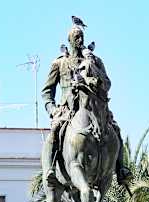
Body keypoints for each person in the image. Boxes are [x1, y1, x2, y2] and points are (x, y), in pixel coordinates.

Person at [40, 24, 130, 185]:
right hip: (67, 110)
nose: (80, 40)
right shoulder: (59, 63)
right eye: (76, 37)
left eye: (81, 36)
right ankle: (50, 170)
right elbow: (47, 91)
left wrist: (93, 66)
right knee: (55, 131)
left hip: (94, 107)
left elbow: (107, 84)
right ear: (69, 40)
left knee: (115, 130)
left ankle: (121, 169)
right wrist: (52, 109)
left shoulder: (95, 61)